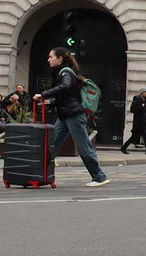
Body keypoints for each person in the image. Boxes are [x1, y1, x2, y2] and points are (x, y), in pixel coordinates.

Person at [31, 47, 109, 186]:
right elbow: (66, 97)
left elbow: (65, 87)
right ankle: (39, 175)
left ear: (60, 58)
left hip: (74, 115)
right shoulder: (63, 73)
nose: (48, 59)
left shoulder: (65, 72)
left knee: (83, 147)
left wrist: (44, 94)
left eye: (51, 57)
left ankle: (99, 177)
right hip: (65, 115)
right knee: (52, 145)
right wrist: (49, 102)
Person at [119, 89, 146, 155]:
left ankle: (123, 148)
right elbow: (132, 109)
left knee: (138, 136)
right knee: (143, 136)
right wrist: (141, 107)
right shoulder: (137, 100)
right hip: (138, 122)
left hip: (145, 121)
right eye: (145, 92)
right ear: (141, 93)